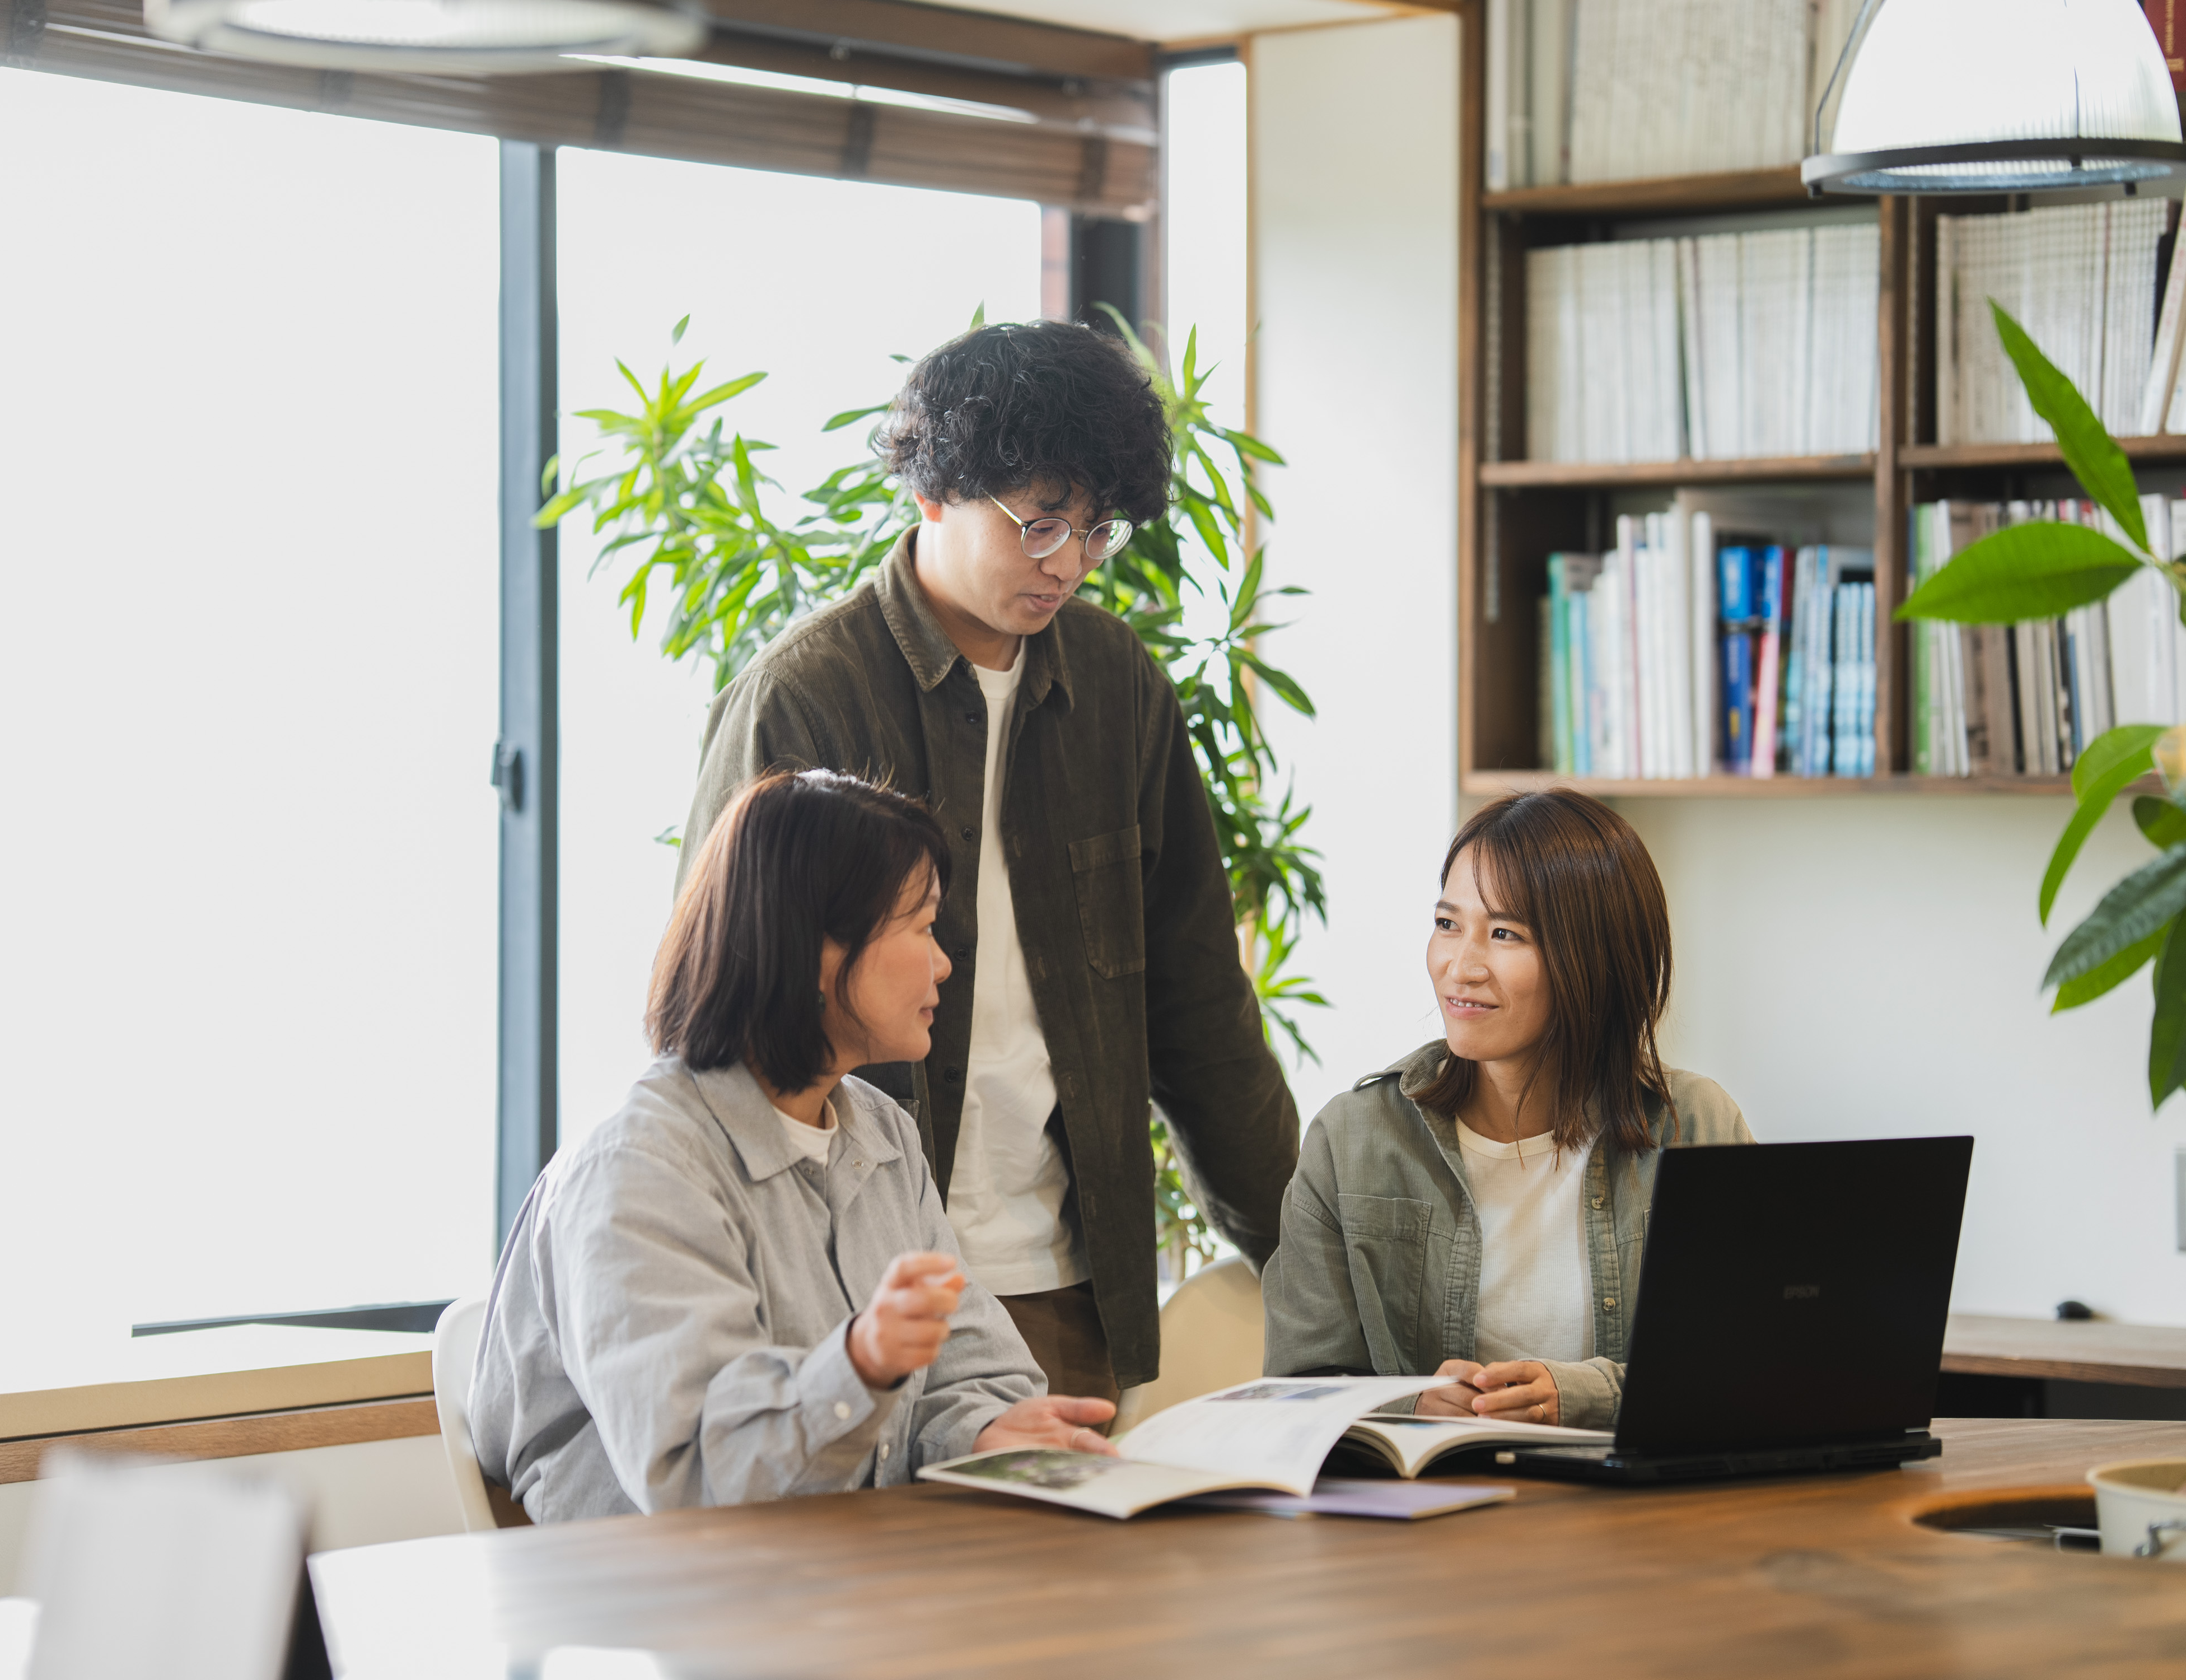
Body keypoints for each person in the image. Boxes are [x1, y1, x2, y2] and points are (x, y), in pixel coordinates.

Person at [680, 320, 1300, 1407]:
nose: (1070, 561)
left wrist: (1313, 1268)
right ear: (930, 493)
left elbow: (1197, 1004)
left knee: (1084, 1580)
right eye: (1039, 523)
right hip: (848, 1292)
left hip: (1066, 1288)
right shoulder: (805, 695)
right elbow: (723, 1025)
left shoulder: (1120, 691)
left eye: (1097, 529)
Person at [473, 769, 1119, 1523]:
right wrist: (859, 1366)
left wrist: (983, 1429)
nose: (944, 963)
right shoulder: (637, 1172)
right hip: (658, 1613)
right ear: (817, 948)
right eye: (922, 926)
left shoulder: (884, 1137)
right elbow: (699, 1485)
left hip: (844, 1589)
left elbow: (978, 1371)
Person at [1260, 789, 1752, 1429]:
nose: (1459, 967)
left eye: (1503, 933)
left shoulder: (1695, 1126)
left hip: (1641, 1518)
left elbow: (1744, 1367)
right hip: (1427, 1517)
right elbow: (1296, 1392)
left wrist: (1580, 1396)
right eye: (1446, 924)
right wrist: (1411, 1404)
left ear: (1593, 957)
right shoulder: (1351, 1140)